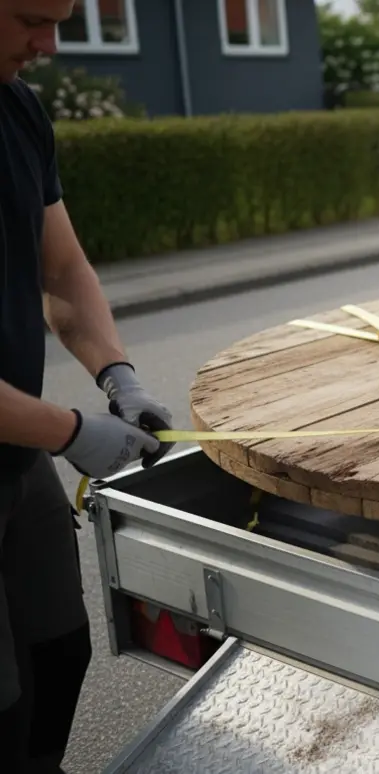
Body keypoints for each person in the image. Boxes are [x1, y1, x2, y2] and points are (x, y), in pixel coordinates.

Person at [1, 4, 175, 771]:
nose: (49, 43)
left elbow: (63, 268)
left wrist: (117, 374)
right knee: (4, 707)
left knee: (61, 653)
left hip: (15, 459)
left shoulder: (19, 110)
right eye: (30, 18)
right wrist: (70, 433)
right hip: (30, 438)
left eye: (61, 18)